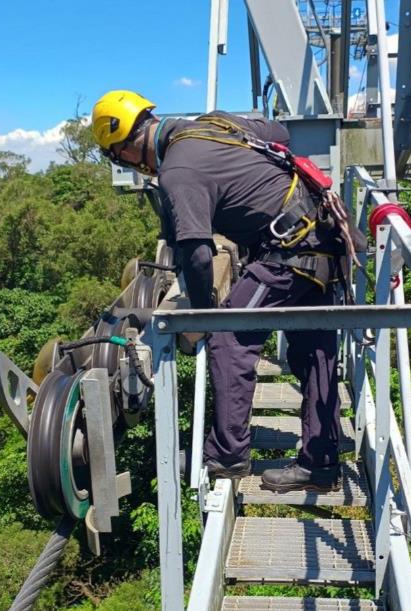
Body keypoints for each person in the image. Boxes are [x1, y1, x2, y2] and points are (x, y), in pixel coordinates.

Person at [92, 90, 346, 492]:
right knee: (313, 350)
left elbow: (196, 252)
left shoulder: (178, 171)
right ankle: (321, 463)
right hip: (322, 241)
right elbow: (279, 131)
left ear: (125, 149)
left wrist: (205, 312)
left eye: (117, 156)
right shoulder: (215, 122)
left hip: (288, 256)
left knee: (228, 339)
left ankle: (227, 457)